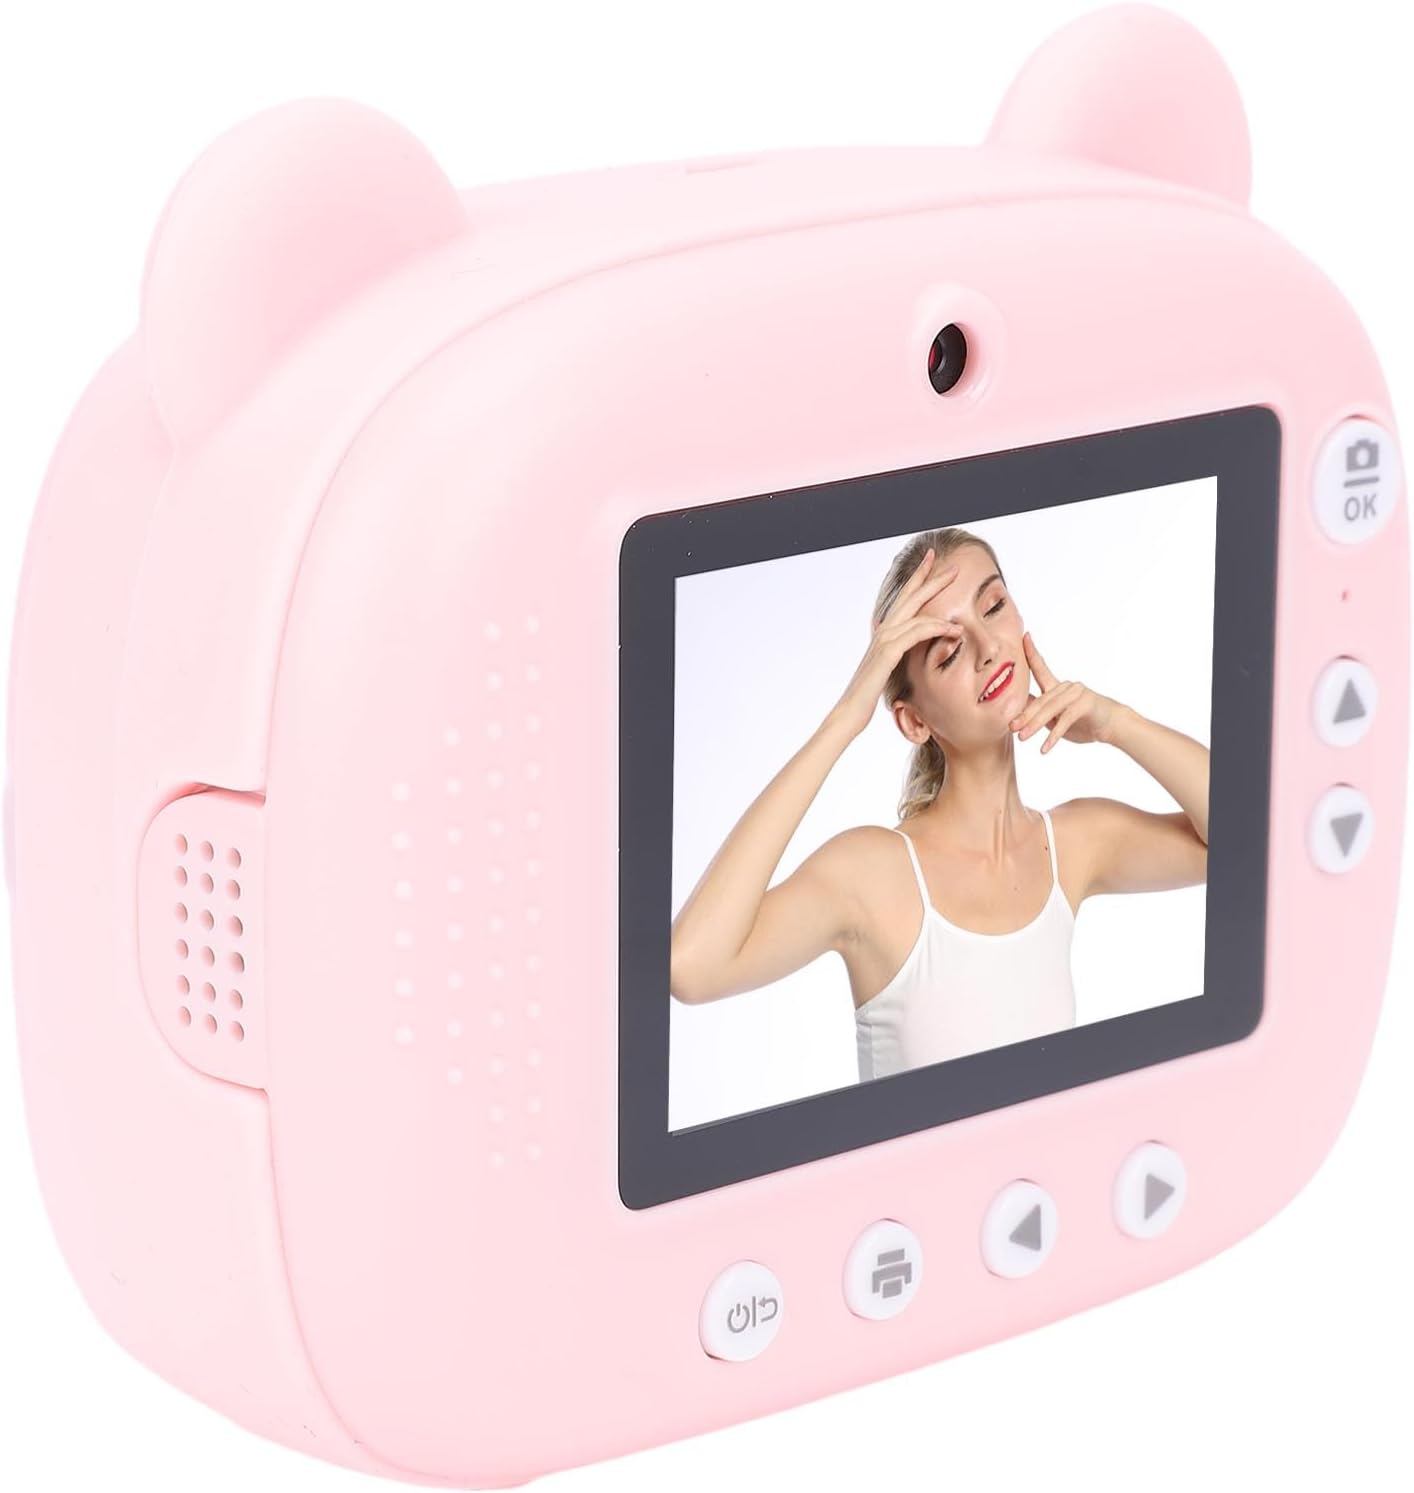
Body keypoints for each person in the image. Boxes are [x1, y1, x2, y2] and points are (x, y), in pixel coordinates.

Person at [668, 526, 1210, 1081]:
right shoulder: (871, 875)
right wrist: (846, 718)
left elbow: (1244, 839)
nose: (987, 647)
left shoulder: (1073, 846)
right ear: (913, 721)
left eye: (993, 607)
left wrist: (1118, 724)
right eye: (948, 654)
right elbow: (692, 966)